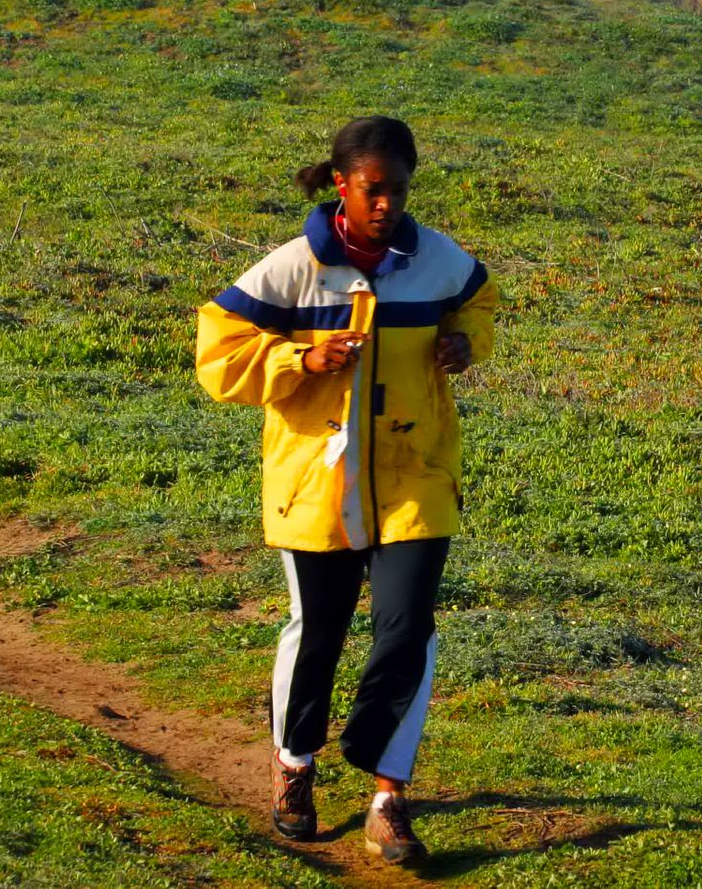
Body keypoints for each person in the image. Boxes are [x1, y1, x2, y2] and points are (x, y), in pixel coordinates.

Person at [195, 115, 497, 865]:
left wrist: (467, 343)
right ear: (341, 184)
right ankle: (295, 768)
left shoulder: (438, 261)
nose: (387, 204)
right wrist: (301, 357)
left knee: (409, 628)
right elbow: (217, 358)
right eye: (373, 189)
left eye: (398, 189)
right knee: (318, 637)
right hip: (316, 485)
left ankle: (388, 795)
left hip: (415, 473)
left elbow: (479, 303)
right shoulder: (292, 268)